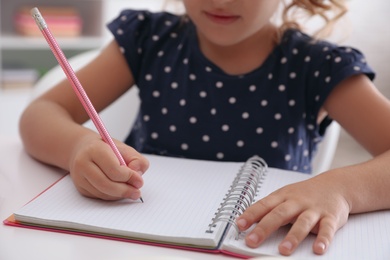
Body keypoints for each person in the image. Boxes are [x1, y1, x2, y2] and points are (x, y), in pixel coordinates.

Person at [19, 0, 390, 257]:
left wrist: (342, 190)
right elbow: (41, 112)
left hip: (258, 248)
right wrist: (77, 147)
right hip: (135, 245)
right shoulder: (149, 39)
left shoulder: (318, 65)